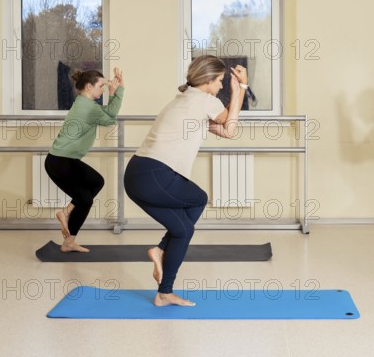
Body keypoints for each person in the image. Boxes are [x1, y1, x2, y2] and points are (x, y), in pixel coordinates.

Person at [124, 55, 246, 307]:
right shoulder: (204, 100)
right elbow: (229, 123)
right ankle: (159, 251)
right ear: (208, 80)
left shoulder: (184, 100)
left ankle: (164, 293)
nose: (222, 86)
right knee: (199, 199)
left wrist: (237, 92)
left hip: (138, 175)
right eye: (220, 81)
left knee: (183, 230)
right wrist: (241, 88)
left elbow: (227, 131)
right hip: (155, 174)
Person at [45, 68, 125, 253]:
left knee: (88, 193)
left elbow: (106, 113)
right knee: (91, 191)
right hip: (62, 161)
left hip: (59, 160)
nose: (103, 89)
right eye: (101, 86)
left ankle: (68, 238)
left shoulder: (84, 103)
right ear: (89, 86)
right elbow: (110, 118)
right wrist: (117, 91)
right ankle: (66, 220)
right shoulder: (87, 107)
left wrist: (115, 88)